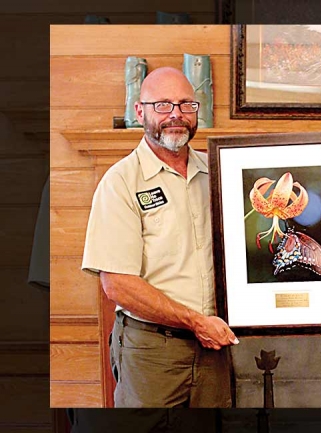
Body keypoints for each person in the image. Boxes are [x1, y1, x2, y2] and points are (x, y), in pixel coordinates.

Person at [82, 67, 238, 408]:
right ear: (140, 112)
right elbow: (117, 284)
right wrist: (196, 322)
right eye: (163, 105)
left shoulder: (220, 173)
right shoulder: (121, 182)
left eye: (186, 104)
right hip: (152, 351)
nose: (176, 115)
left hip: (215, 349)